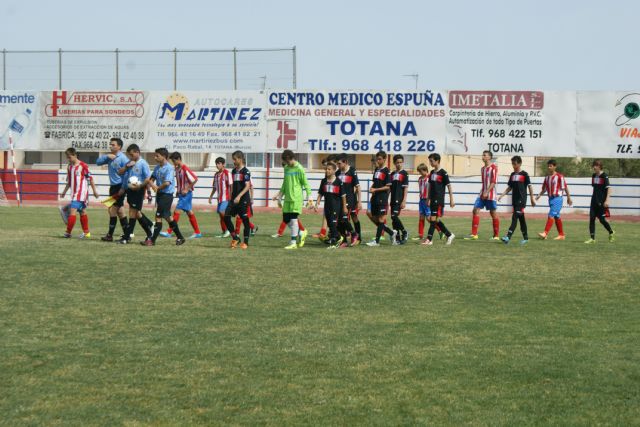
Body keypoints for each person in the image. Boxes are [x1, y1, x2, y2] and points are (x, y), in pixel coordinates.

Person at [143, 148, 186, 246]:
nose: (155, 157)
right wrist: (148, 187)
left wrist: (156, 187)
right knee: (168, 217)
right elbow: (151, 179)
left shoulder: (169, 168)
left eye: (157, 156)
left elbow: (167, 183)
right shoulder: (157, 167)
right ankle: (180, 237)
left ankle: (152, 241)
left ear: (164, 156)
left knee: (158, 217)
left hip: (166, 195)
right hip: (160, 195)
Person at [271, 149, 312, 250]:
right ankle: (301, 233)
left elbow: (305, 183)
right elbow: (285, 183)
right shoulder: (286, 168)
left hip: (296, 198)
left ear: (290, 158)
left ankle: (293, 242)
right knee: (286, 219)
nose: (286, 163)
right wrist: (280, 195)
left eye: (286, 161)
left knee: (293, 220)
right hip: (288, 198)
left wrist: (309, 196)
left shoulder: (299, 168)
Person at [116, 144, 155, 244]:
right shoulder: (129, 163)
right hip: (129, 190)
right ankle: (150, 231)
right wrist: (126, 166)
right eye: (129, 155)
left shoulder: (143, 163)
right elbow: (121, 173)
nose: (130, 157)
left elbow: (148, 178)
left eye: (132, 155)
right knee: (137, 213)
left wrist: (140, 186)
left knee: (132, 213)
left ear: (138, 152)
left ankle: (127, 237)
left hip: (138, 191)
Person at [159, 152, 202, 239]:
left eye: (174, 161)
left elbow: (195, 179)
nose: (173, 163)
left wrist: (186, 189)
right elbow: (180, 182)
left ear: (179, 159)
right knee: (190, 212)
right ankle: (197, 232)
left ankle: (169, 231)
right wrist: (178, 191)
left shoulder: (185, 168)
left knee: (176, 211)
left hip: (187, 194)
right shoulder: (178, 169)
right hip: (182, 194)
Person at [59, 148, 99, 238]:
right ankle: (86, 233)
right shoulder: (69, 167)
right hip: (74, 193)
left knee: (73, 211)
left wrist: (94, 191)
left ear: (75, 155)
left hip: (81, 193)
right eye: (67, 158)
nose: (68, 159)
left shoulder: (83, 166)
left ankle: (68, 233)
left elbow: (90, 179)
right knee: (82, 212)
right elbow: (69, 182)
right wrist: (64, 192)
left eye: (69, 157)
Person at [96, 137, 129, 241]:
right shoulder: (109, 157)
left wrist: (123, 188)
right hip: (113, 187)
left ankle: (110, 235)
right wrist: (106, 156)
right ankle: (128, 234)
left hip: (120, 187)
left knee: (112, 210)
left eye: (113, 145)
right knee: (120, 211)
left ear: (119, 146)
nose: (111, 146)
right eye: (110, 144)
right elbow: (98, 162)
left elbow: (128, 174)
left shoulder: (123, 158)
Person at [497, 156, 536, 245]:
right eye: (512, 164)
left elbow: (529, 186)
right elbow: (510, 187)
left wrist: (532, 198)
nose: (514, 166)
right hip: (514, 200)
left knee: (514, 217)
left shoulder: (524, 174)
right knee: (521, 219)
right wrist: (502, 195)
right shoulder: (512, 175)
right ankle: (525, 238)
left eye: (515, 164)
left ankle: (508, 237)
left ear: (519, 163)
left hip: (521, 200)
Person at [464, 150, 500, 241]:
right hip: (482, 193)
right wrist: (483, 192)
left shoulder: (494, 168)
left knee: (493, 213)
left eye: (484, 155)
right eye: (482, 155)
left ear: (489, 157)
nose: (482, 156)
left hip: (490, 194)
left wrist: (487, 192)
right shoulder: (482, 169)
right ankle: (474, 234)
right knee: (475, 210)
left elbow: (493, 182)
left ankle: (496, 236)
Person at [422, 153, 455, 246]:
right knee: (435, 220)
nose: (430, 163)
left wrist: (451, 199)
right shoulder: (432, 173)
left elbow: (449, 186)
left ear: (437, 161)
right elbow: (430, 186)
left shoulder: (443, 173)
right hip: (432, 199)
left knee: (432, 219)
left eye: (431, 161)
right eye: (429, 161)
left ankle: (429, 239)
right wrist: (428, 198)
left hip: (439, 199)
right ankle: (449, 234)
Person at [535, 159, 572, 240]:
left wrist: (569, 198)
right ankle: (561, 235)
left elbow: (565, 187)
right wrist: (539, 195)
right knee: (557, 217)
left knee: (551, 215)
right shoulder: (547, 178)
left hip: (558, 199)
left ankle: (545, 233)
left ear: (555, 167)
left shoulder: (559, 177)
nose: (549, 167)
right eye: (548, 166)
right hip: (551, 199)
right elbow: (544, 189)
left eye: (550, 166)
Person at [366, 151, 395, 247]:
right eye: (377, 159)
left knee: (381, 219)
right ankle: (391, 233)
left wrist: (376, 189)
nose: (378, 161)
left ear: (384, 159)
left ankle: (377, 241)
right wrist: (372, 190)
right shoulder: (377, 170)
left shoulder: (387, 171)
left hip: (382, 198)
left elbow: (388, 187)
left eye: (379, 159)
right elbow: (375, 183)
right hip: (375, 198)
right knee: (373, 216)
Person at [314, 161, 346, 248]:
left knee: (332, 222)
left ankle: (338, 237)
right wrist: (317, 203)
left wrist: (344, 207)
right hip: (327, 206)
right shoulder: (323, 181)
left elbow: (343, 196)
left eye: (329, 169)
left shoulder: (339, 182)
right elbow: (320, 193)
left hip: (336, 206)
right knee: (329, 223)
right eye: (326, 169)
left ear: (334, 170)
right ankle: (334, 238)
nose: (327, 171)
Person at [224, 151, 252, 249]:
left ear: (240, 159)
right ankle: (235, 237)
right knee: (226, 217)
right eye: (233, 159)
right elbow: (233, 186)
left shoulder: (246, 171)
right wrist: (231, 196)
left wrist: (239, 196)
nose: (234, 161)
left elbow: (247, 186)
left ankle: (246, 242)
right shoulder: (234, 171)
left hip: (243, 199)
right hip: (233, 199)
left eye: (235, 159)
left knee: (245, 220)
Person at [585, 159, 615, 244]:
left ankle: (611, 232)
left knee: (602, 220)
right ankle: (592, 238)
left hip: (602, 202)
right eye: (594, 165)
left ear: (600, 166)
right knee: (592, 218)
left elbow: (609, 188)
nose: (594, 167)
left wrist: (607, 200)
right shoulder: (594, 176)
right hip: (594, 201)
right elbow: (595, 188)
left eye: (596, 165)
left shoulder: (604, 176)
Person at [336, 153, 361, 245]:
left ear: (345, 162)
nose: (338, 166)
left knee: (348, 218)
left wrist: (359, 201)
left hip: (350, 200)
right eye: (337, 164)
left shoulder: (352, 171)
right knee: (340, 221)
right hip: (339, 201)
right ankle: (345, 240)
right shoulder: (337, 173)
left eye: (339, 163)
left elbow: (358, 187)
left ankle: (357, 236)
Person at [208, 157, 232, 238]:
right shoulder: (216, 175)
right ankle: (224, 231)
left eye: (219, 163)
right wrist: (211, 196)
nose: (217, 165)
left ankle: (229, 230)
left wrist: (231, 197)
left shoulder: (227, 173)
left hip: (226, 198)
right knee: (221, 215)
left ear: (223, 164)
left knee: (222, 212)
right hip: (220, 198)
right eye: (216, 164)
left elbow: (231, 186)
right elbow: (214, 187)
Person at [389, 154, 409, 244]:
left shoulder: (404, 173)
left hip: (399, 199)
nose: (399, 164)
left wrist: (404, 200)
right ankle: (397, 238)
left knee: (394, 216)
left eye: (401, 162)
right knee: (393, 219)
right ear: (394, 163)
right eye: (397, 162)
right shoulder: (392, 174)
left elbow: (405, 188)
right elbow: (389, 188)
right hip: (392, 199)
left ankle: (404, 231)